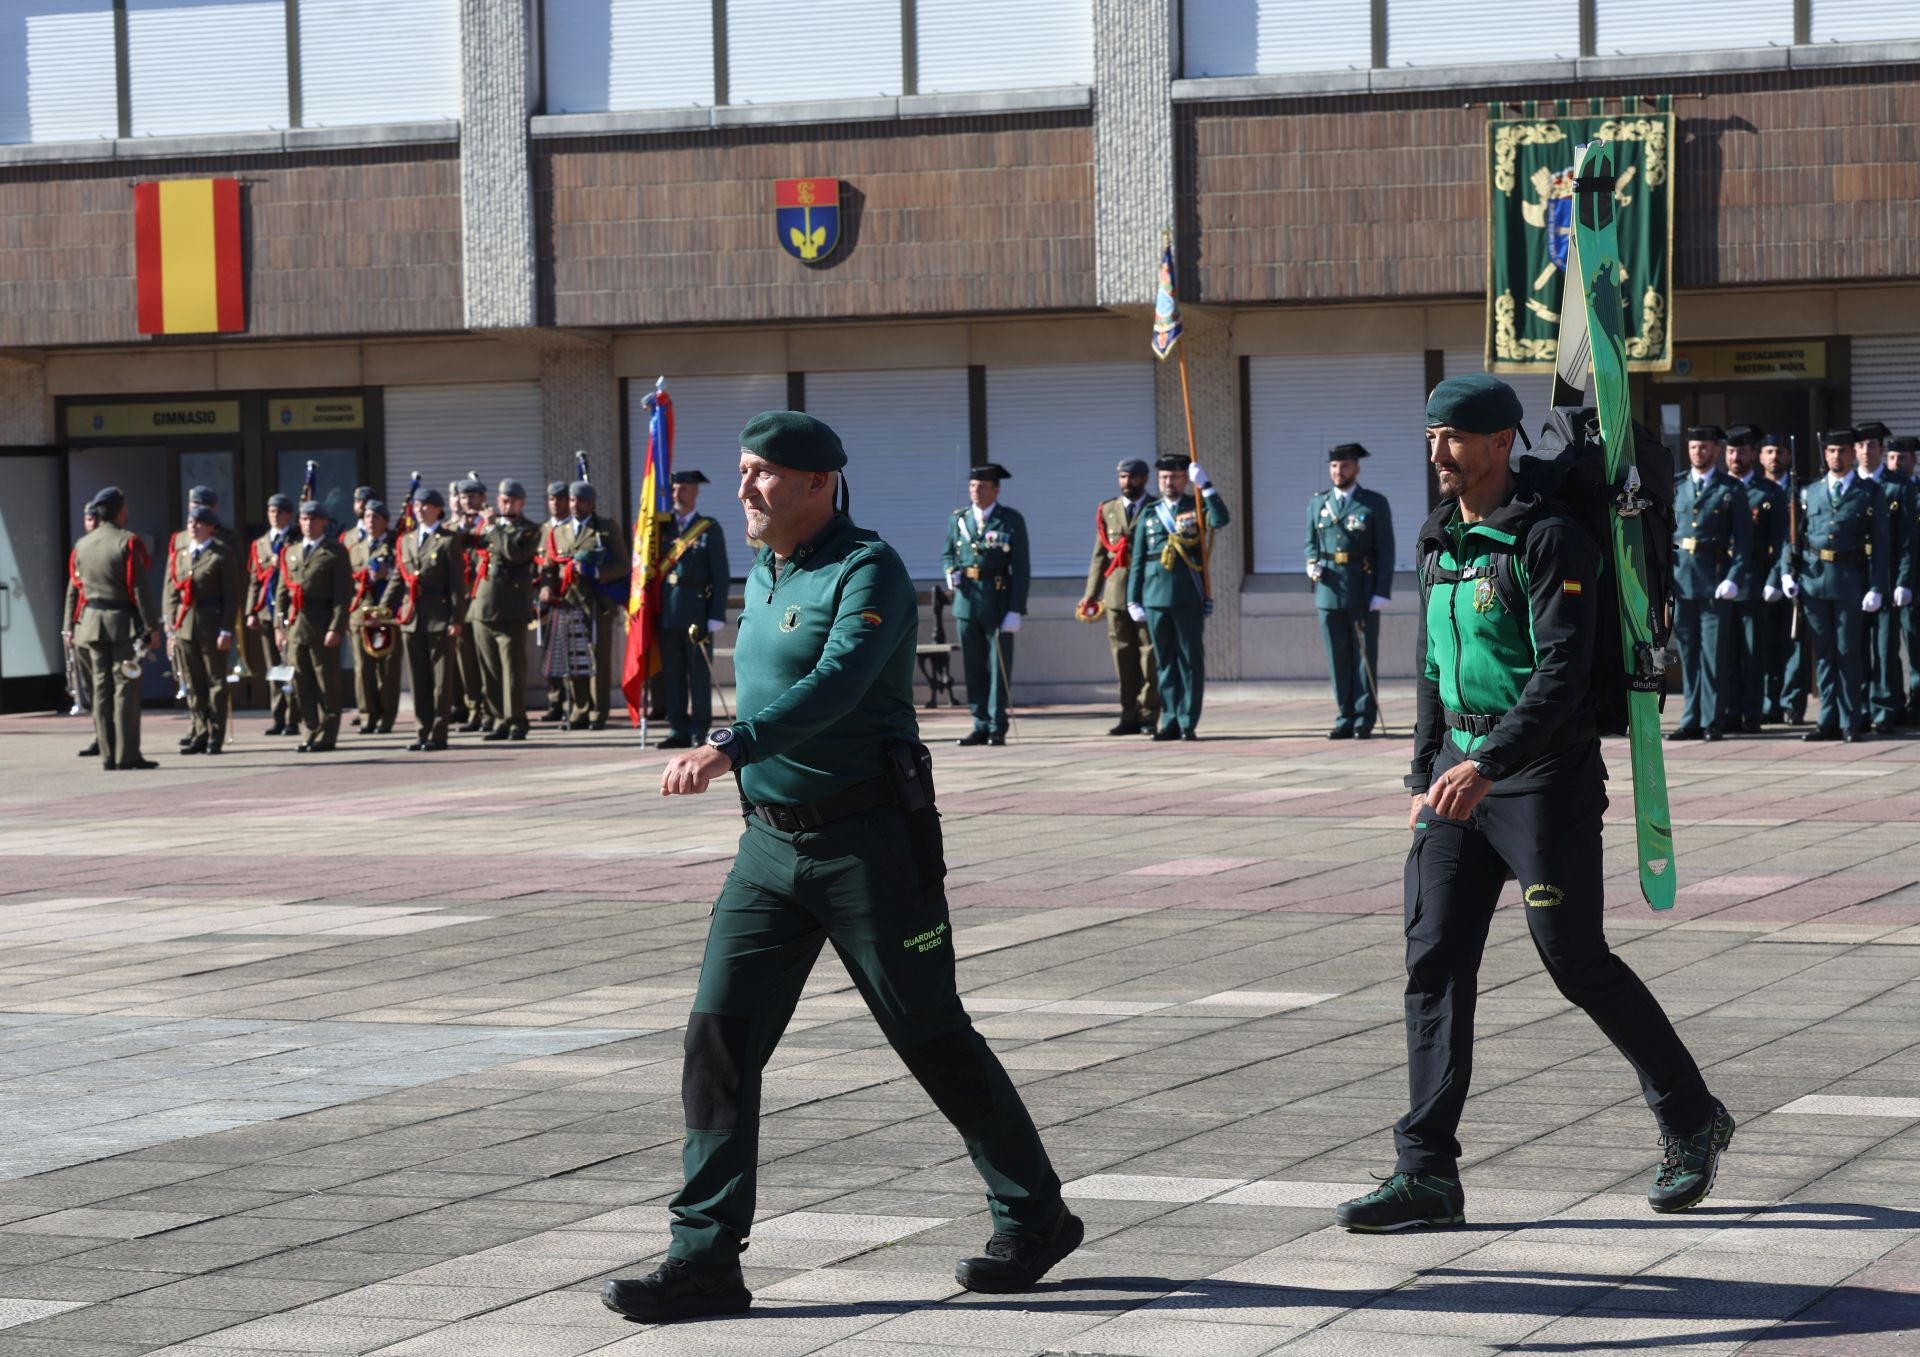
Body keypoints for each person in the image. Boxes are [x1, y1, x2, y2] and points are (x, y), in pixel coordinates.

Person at [600, 411, 1078, 1325]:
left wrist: (733, 744)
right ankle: (703, 1258)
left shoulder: (870, 569)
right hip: (770, 849)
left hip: (869, 847)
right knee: (719, 1040)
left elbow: (841, 681)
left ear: (819, 483)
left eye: (762, 474)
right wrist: (745, 762)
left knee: (930, 1032)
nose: (743, 488)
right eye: (742, 471)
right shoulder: (769, 566)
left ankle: (1035, 1213)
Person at [1335, 375, 1731, 1233]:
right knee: (1433, 960)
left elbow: (1559, 675)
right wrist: (1422, 776)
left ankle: (1692, 1115)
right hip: (1456, 777)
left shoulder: (1550, 540)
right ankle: (1427, 1171)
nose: (1437, 453)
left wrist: (1488, 762)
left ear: (1503, 442)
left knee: (1575, 959)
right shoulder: (1440, 536)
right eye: (1431, 435)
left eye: (1454, 438)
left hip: (1540, 776)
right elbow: (1432, 667)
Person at [1782, 429, 1887, 742]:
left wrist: (1877, 586)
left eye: (1842, 451)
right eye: (1831, 451)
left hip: (1849, 581)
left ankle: (1850, 721)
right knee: (1823, 655)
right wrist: (1787, 572)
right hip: (1813, 580)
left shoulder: (1869, 492)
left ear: (1852, 454)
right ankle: (1827, 719)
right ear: (1824, 455)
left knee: (1848, 653)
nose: (1836, 457)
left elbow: (1881, 544)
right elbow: (1793, 536)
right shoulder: (1809, 492)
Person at [1127, 454, 1230, 741]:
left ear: (1185, 479)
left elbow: (1221, 519)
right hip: (1154, 595)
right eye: (1163, 478)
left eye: (1174, 477)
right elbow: (1137, 560)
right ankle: (1169, 720)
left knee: (1189, 661)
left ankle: (1187, 721)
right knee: (1164, 662)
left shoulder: (1195, 507)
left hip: (1186, 594)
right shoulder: (1150, 512)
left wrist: (1206, 487)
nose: (1168, 482)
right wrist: (1132, 598)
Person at [1306, 442, 1395, 740]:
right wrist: (1311, 564)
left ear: (1356, 468)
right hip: (1328, 590)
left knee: (1364, 657)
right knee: (1337, 657)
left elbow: (1386, 550)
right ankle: (1344, 716)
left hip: (1362, 587)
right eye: (1333, 466)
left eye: (1344, 465)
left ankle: (1363, 718)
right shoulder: (1318, 503)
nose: (1338, 471)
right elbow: (1310, 543)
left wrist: (1382, 590)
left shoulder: (1373, 503)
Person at [1668, 425, 1751, 741]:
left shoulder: (1730, 489)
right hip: (1682, 580)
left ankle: (1711, 720)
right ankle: (1690, 718)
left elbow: (1743, 543)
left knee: (1713, 654)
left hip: (1715, 580)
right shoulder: (1677, 486)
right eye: (1693, 447)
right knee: (1688, 655)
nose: (1698, 453)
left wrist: (1733, 578)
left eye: (1704, 448)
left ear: (1716, 451)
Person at [69, 487, 161, 770]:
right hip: (122, 623)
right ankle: (127, 754)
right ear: (120, 510)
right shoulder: (127, 542)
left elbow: (77, 587)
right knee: (125, 689)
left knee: (101, 690)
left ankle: (108, 755)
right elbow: (139, 587)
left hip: (91, 624)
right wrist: (151, 626)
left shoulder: (82, 545)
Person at [942, 464, 1028, 747]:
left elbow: (1022, 568)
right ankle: (979, 723)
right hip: (967, 601)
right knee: (973, 666)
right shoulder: (959, 519)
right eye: (972, 486)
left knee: (998, 665)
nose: (975, 491)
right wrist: (950, 571)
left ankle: (997, 724)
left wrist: (1016, 608)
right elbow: (948, 554)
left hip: (998, 600)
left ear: (996, 489)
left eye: (981, 486)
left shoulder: (1010, 520)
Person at [383, 487, 468, 752]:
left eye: (425, 506)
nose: (419, 510)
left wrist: (456, 618)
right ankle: (422, 730)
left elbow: (456, 584)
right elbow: (399, 578)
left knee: (440, 680)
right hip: (412, 617)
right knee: (418, 679)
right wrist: (382, 608)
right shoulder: (407, 540)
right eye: (417, 506)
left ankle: (438, 732)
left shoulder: (448, 540)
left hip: (439, 615)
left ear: (437, 509)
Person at [1082, 458, 1159, 736]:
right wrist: (1091, 595)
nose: (1127, 483)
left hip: (1146, 592)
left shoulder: (1155, 508)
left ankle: (1149, 713)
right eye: (1123, 477)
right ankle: (1129, 714)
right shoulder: (1109, 509)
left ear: (1145, 479)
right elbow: (1100, 555)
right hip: (1116, 592)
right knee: (1123, 658)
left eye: (1133, 478)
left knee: (1149, 658)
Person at [657, 470, 732, 749]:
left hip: (697, 611)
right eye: (675, 489)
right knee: (673, 674)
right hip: (668, 612)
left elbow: (721, 574)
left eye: (684, 489)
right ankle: (677, 728)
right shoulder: (662, 528)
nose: (678, 494)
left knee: (698, 673)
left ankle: (700, 728)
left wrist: (716, 614)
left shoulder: (708, 528)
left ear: (695, 493)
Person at [1722, 426, 1787, 733]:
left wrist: (1774, 578)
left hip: (1753, 581)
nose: (1736, 457)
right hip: (1719, 582)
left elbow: (1780, 542)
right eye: (1731, 452)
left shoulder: (1770, 492)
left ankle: (1752, 711)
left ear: (1753, 454)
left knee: (1752, 653)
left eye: (1742, 451)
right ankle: (1729, 710)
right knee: (1726, 652)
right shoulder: (1718, 487)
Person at [275, 500, 352, 752]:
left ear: (324, 522)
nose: (308, 524)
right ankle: (309, 730)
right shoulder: (290, 551)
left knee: (326, 682)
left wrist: (336, 627)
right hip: (297, 626)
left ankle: (327, 735)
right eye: (304, 519)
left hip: (322, 623)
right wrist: (279, 627)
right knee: (302, 682)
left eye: (314, 519)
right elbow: (282, 593)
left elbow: (342, 594)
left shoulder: (335, 552)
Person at [1855, 421, 1913, 733]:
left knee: (1885, 647)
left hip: (1887, 576)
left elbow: (1905, 541)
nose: (1866, 451)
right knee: (1856, 647)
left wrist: (1902, 580)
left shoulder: (1899, 487)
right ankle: (1860, 707)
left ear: (1881, 449)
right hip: (1853, 575)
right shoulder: (1850, 485)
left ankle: (1886, 708)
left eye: (1872, 446)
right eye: (1861, 446)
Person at [470, 479, 540, 741]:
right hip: (483, 607)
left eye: (511, 500)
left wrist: (493, 528)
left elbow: (514, 553)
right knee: (490, 671)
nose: (505, 504)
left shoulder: (529, 530)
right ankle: (498, 719)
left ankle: (516, 721)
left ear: (521, 503)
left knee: (512, 671)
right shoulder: (489, 527)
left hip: (511, 610)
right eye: (502, 500)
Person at [170, 505, 242, 755]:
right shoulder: (180, 555)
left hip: (211, 624)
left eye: (200, 523)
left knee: (215, 683)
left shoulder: (221, 555)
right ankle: (199, 732)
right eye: (191, 522)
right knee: (193, 683)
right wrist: (171, 627)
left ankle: (215, 736)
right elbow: (172, 593)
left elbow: (231, 597)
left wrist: (226, 630)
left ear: (211, 527)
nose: (193, 526)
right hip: (186, 626)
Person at [559, 480, 630, 730]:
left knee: (597, 659)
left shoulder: (606, 529)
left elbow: (623, 565)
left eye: (581, 501)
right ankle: (579, 709)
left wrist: (595, 571)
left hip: (597, 604)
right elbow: (551, 564)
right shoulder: (561, 530)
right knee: (574, 659)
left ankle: (598, 712)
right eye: (572, 500)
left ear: (591, 504)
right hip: (569, 604)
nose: (576, 505)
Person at [244, 493, 302, 736]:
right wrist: (251, 611)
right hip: (267, 611)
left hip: (290, 610)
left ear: (288, 514)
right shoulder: (260, 544)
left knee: (292, 664)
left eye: (279, 511)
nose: (274, 516)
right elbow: (255, 580)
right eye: (271, 511)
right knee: (274, 667)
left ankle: (293, 717)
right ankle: (278, 716)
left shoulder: (296, 539)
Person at [1759, 435, 1806, 724]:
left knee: (1794, 644)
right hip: (1760, 578)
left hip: (1793, 577)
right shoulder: (1754, 490)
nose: (1774, 457)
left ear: (1788, 458)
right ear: (1760, 457)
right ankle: (1768, 702)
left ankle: (1792, 704)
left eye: (1780, 452)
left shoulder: (1802, 490)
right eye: (1769, 451)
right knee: (1764, 645)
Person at [348, 501, 402, 736]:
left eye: (376, 517)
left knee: (388, 669)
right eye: (368, 516)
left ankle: (386, 717)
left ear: (385, 522)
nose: (370, 521)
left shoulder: (394, 545)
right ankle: (367, 716)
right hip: (361, 613)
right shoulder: (356, 548)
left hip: (386, 614)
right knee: (363, 669)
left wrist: (386, 573)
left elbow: (403, 575)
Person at [451, 475, 492, 732]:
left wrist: (490, 524)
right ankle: (473, 710)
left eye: (473, 497)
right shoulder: (451, 529)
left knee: (485, 658)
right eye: (464, 497)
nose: (468, 502)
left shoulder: (489, 525)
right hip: (460, 602)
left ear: (483, 499)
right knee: (465, 661)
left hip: (482, 599)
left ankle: (490, 711)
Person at [537, 481, 573, 725]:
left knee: (571, 655)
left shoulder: (572, 528)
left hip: (569, 598)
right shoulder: (543, 529)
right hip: (547, 600)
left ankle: (576, 704)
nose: (555, 503)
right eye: (551, 499)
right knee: (550, 654)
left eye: (559, 499)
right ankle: (555, 702)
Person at [1892, 435, 1920, 722]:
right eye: (1892, 457)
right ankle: (1892, 701)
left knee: (1915, 643)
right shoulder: (1882, 491)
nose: (1896, 463)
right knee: (1886, 647)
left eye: (1902, 458)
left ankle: (1917, 698)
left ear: (1914, 461)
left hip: (1917, 580)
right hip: (1889, 579)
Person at [62, 505, 99, 725]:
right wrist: (68, 626)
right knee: (89, 682)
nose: (91, 523)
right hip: (83, 622)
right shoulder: (80, 549)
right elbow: (73, 591)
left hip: (107, 622)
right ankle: (100, 734)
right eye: (88, 519)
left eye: (95, 519)